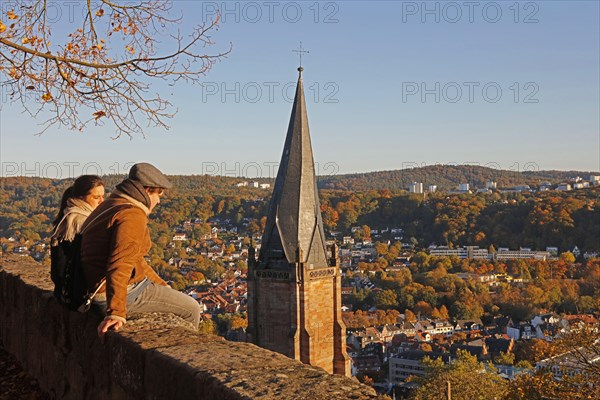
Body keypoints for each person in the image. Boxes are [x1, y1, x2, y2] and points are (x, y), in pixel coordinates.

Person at [80, 162, 201, 342]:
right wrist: (116, 312)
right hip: (113, 293)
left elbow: (134, 258)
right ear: (147, 190)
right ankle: (190, 353)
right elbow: (120, 264)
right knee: (191, 308)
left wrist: (161, 284)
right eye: (158, 194)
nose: (159, 200)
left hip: (93, 287)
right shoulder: (132, 215)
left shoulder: (112, 204)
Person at [51, 175, 105, 298]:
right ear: (81, 197)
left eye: (103, 196)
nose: (102, 201)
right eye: (96, 197)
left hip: (65, 291)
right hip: (78, 293)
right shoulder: (81, 221)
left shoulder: (68, 216)